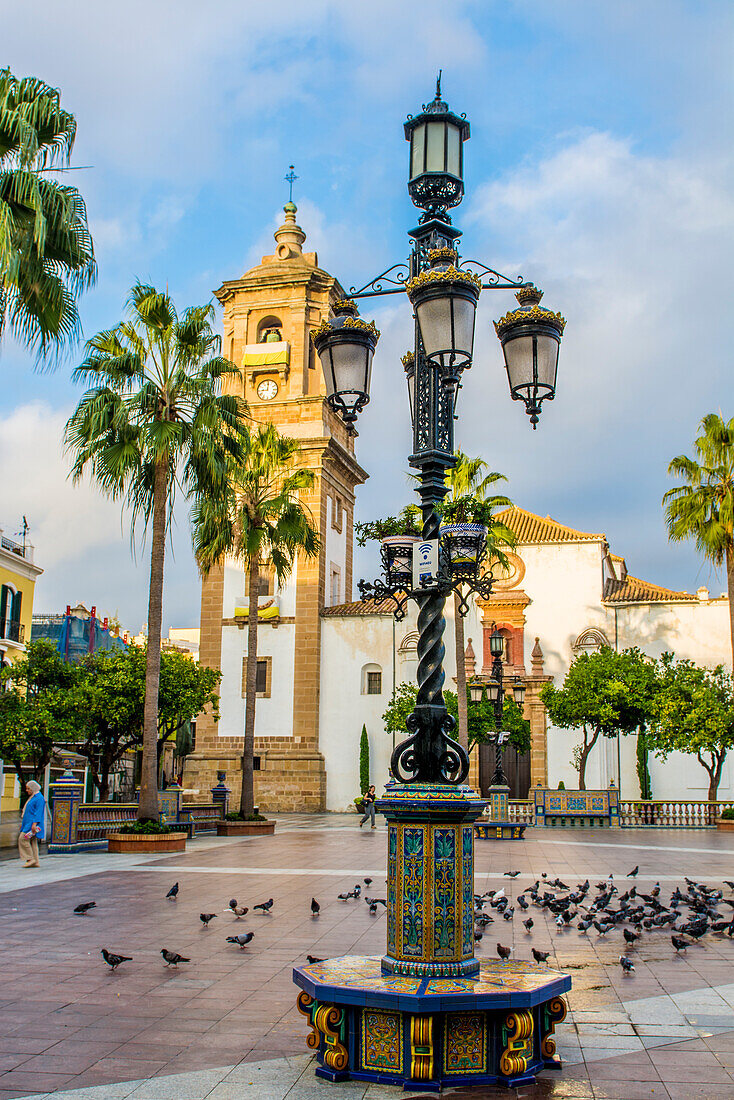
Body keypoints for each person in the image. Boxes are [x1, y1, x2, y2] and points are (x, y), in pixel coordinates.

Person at [18, 780, 46, 868]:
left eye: (28, 788)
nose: (27, 790)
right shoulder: (33, 797)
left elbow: (38, 812)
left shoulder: (39, 798)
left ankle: (30, 858)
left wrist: (34, 824)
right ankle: (36, 861)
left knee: (22, 839)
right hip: (28, 823)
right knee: (32, 841)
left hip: (31, 824)